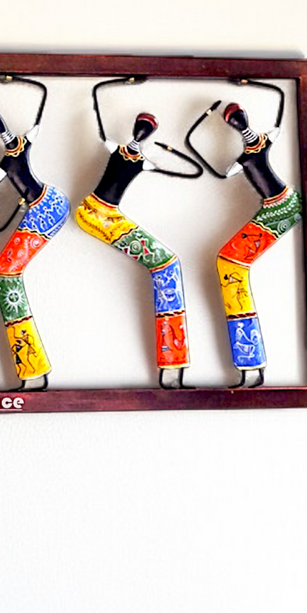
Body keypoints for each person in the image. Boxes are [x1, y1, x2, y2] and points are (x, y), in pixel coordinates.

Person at [75, 76, 201, 389]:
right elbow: (192, 169)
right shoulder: (138, 160)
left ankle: (172, 368)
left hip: (96, 213)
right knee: (167, 265)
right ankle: (171, 367)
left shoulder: (122, 151)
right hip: (101, 216)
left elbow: (98, 109)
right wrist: (168, 151)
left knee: (167, 265)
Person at [185, 78, 302, 388]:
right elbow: (279, 105)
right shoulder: (261, 143)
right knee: (230, 266)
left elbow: (223, 172)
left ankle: (251, 365)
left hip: (281, 208)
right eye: (236, 122)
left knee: (231, 265)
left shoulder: (249, 154)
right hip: (281, 205)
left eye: (236, 121)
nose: (238, 125)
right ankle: (250, 366)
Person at [0, 74, 69, 391]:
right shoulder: (22, 144)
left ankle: (31, 366)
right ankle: (31, 367)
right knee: (4, 274)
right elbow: (39, 117)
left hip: (44, 208)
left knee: (4, 273)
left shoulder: (6, 161)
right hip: (50, 203)